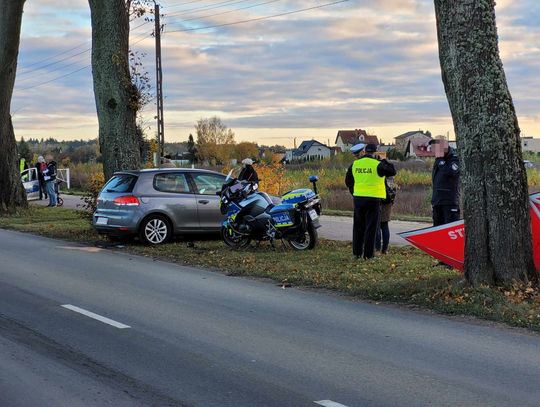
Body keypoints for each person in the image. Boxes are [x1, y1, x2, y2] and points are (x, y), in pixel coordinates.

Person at [345, 143, 396, 259]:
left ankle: (357, 253)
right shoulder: (377, 164)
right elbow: (392, 171)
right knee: (371, 228)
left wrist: (355, 192)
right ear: (375, 152)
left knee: (358, 227)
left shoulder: (355, 164)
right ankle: (368, 255)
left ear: (364, 151)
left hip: (358, 199)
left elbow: (348, 181)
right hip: (373, 200)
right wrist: (384, 160)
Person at [430, 139, 460, 226]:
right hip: (437, 201)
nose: (434, 152)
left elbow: (451, 172)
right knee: (437, 229)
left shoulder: (454, 158)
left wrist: (441, 161)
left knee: (450, 227)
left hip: (449, 201)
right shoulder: (438, 159)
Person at [375, 176, 397, 254]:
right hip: (388, 201)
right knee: (385, 224)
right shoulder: (390, 174)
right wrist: (392, 200)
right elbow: (394, 188)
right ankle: (384, 249)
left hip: (379, 200)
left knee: (377, 225)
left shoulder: (379, 171)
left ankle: (377, 249)